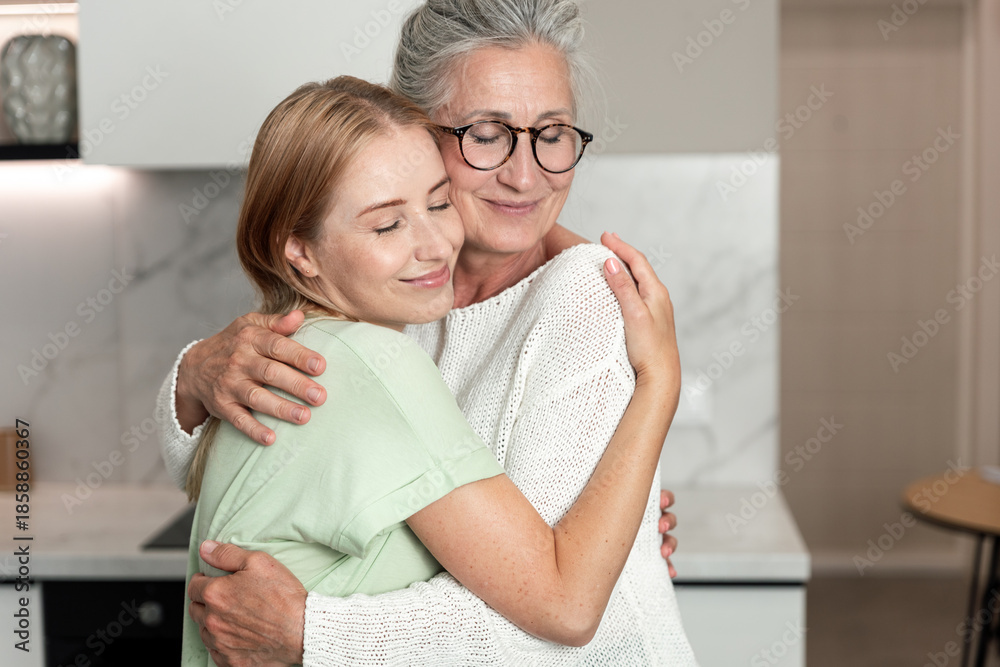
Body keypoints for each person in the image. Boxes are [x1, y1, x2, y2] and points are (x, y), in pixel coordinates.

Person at [161, 0, 695, 664]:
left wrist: (312, 631)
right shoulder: (390, 299)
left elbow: (564, 606)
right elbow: (243, 471)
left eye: (553, 132)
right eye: (487, 134)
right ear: (416, 130)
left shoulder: (583, 296)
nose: (525, 175)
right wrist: (194, 377)